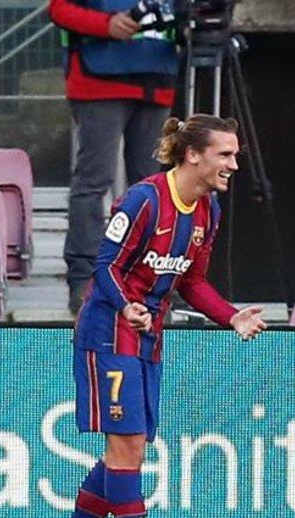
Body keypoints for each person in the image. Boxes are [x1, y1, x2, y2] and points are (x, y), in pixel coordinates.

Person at [42, 114, 267, 518]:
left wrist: (230, 317)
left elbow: (193, 281)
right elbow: (105, 268)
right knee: (129, 449)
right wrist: (127, 307)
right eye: (225, 155)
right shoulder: (145, 200)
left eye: (235, 156)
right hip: (108, 333)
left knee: (128, 452)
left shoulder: (208, 211)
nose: (233, 165)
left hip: (148, 337)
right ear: (193, 155)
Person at [50, 0, 181, 315]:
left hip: (157, 79)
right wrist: (106, 25)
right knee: (95, 181)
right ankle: (86, 278)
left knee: (153, 188)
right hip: (99, 81)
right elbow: (58, 9)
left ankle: (150, 277)